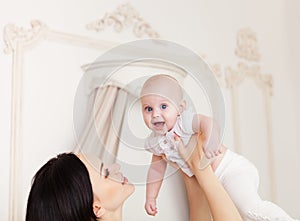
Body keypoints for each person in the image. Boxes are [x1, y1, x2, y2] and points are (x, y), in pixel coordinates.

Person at [141, 74, 299, 221]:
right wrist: (151, 197)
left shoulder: (184, 122)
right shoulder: (155, 142)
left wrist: (211, 142)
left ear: (180, 108)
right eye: (148, 109)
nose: (155, 114)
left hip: (231, 169)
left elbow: (208, 123)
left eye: (163, 106)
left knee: (250, 209)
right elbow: (156, 169)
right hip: (211, 180)